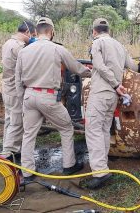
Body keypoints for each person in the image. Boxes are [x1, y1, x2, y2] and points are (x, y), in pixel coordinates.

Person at [15, 17, 91, 180]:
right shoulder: (57, 49)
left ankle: (27, 173)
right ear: (51, 31)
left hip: (29, 96)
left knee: (29, 134)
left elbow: (17, 79)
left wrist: (23, 100)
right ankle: (69, 165)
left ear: (36, 32)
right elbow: (77, 68)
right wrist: (93, 72)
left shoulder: (23, 51)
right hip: (48, 97)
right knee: (66, 128)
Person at [82, 18, 137, 189]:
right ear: (108, 30)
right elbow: (133, 67)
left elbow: (97, 65)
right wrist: (118, 78)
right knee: (104, 130)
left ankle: (100, 173)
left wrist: (114, 83)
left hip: (100, 93)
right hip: (113, 97)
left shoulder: (97, 43)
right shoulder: (119, 45)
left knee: (92, 130)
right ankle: (102, 166)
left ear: (94, 31)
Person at [1, 20, 36, 162]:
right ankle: (8, 156)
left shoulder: (8, 43)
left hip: (7, 88)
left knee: (9, 121)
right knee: (16, 123)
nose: (33, 38)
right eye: (32, 35)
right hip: (15, 90)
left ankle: (6, 149)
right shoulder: (19, 47)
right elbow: (27, 68)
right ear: (27, 32)